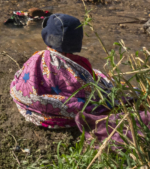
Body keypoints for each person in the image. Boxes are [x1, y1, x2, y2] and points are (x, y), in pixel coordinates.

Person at [9, 13, 150, 143]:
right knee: (124, 93)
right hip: (73, 108)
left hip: (33, 107)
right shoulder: (79, 66)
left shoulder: (37, 58)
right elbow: (92, 88)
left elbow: (23, 77)